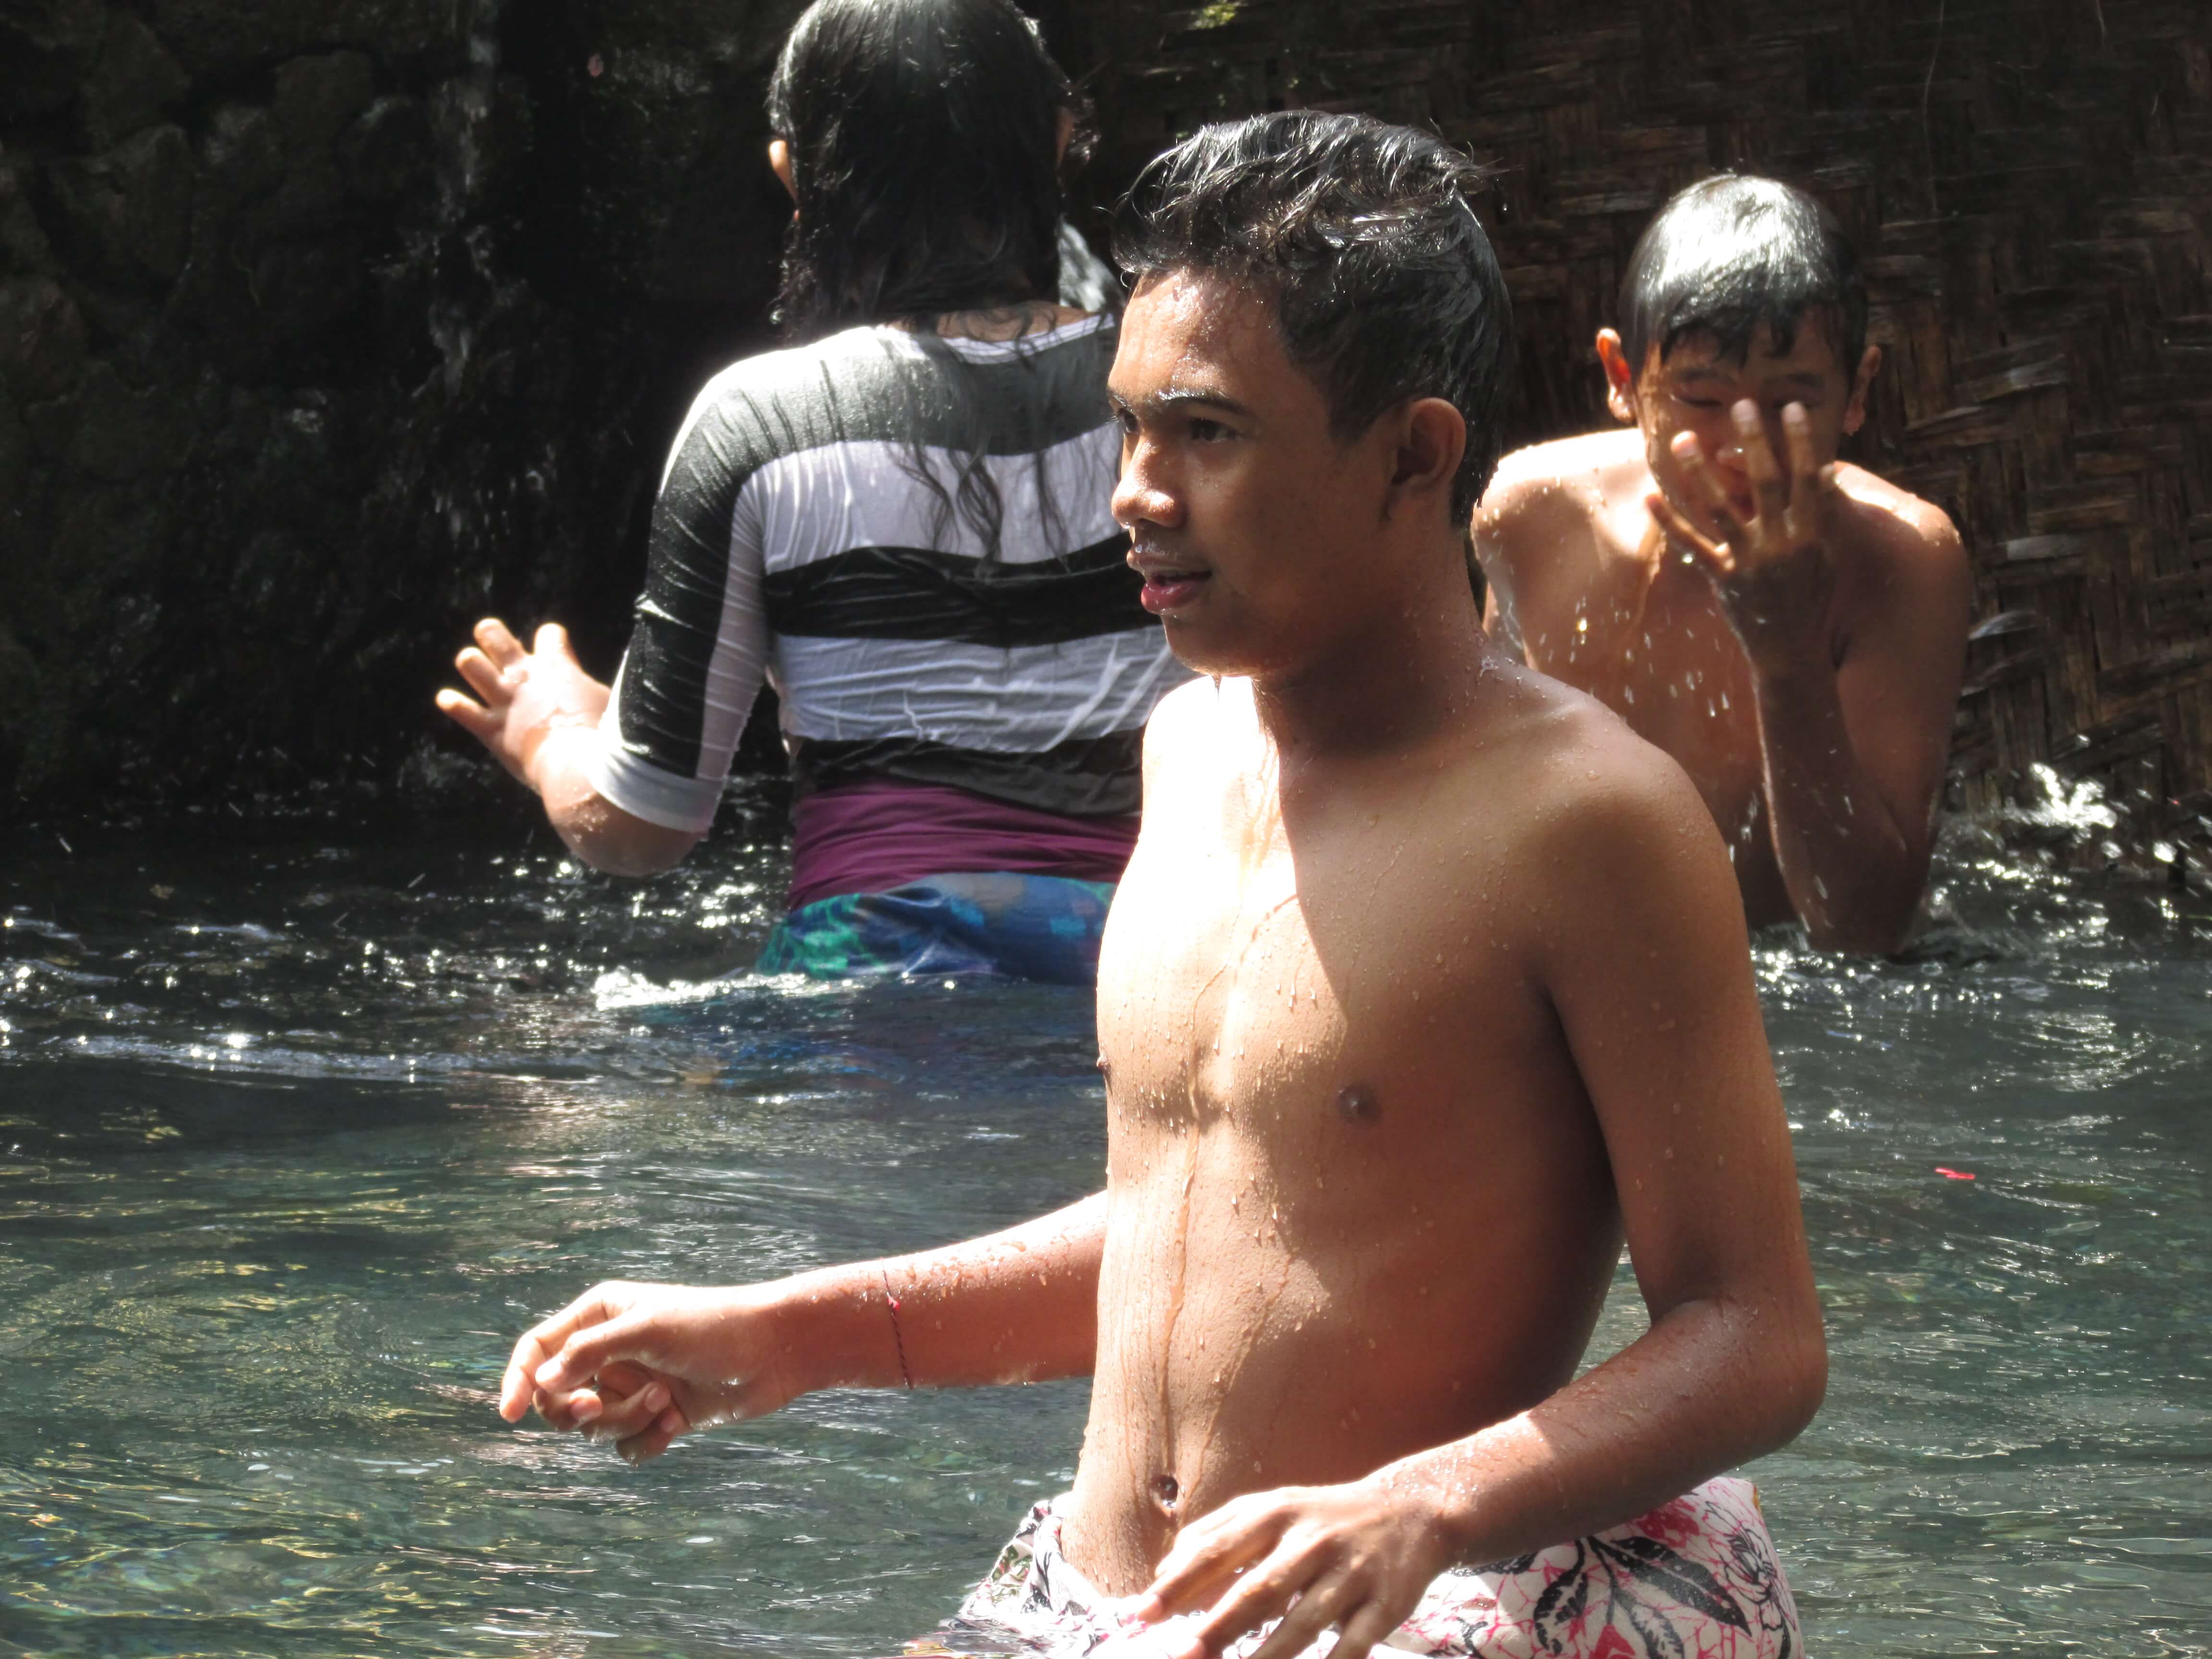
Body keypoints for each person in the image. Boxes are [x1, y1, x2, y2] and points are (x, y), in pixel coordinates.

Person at [495, 114, 1825, 1659]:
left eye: (1207, 433)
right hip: (1092, 1597)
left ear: (1415, 454)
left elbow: (1756, 1335)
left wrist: (1424, 1506)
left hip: (1404, 1609)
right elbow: (1194, 1222)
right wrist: (792, 1330)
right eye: (1128, 426)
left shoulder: (1589, 823)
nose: (1136, 489)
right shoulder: (1187, 747)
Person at [434, 0, 1187, 985]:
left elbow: (642, 826)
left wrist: (549, 732)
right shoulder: (1176, 399)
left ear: (792, 172)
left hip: (865, 994)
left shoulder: (760, 424)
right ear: (1054, 141)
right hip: (1152, 973)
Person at [1473, 175, 1972, 955]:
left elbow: (1859, 928)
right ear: (1624, 381)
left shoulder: (1902, 560)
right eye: (1703, 400)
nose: (1745, 450)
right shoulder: (1531, 516)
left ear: (1857, 393)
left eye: (1793, 402)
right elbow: (1486, 811)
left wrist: (1788, 655)